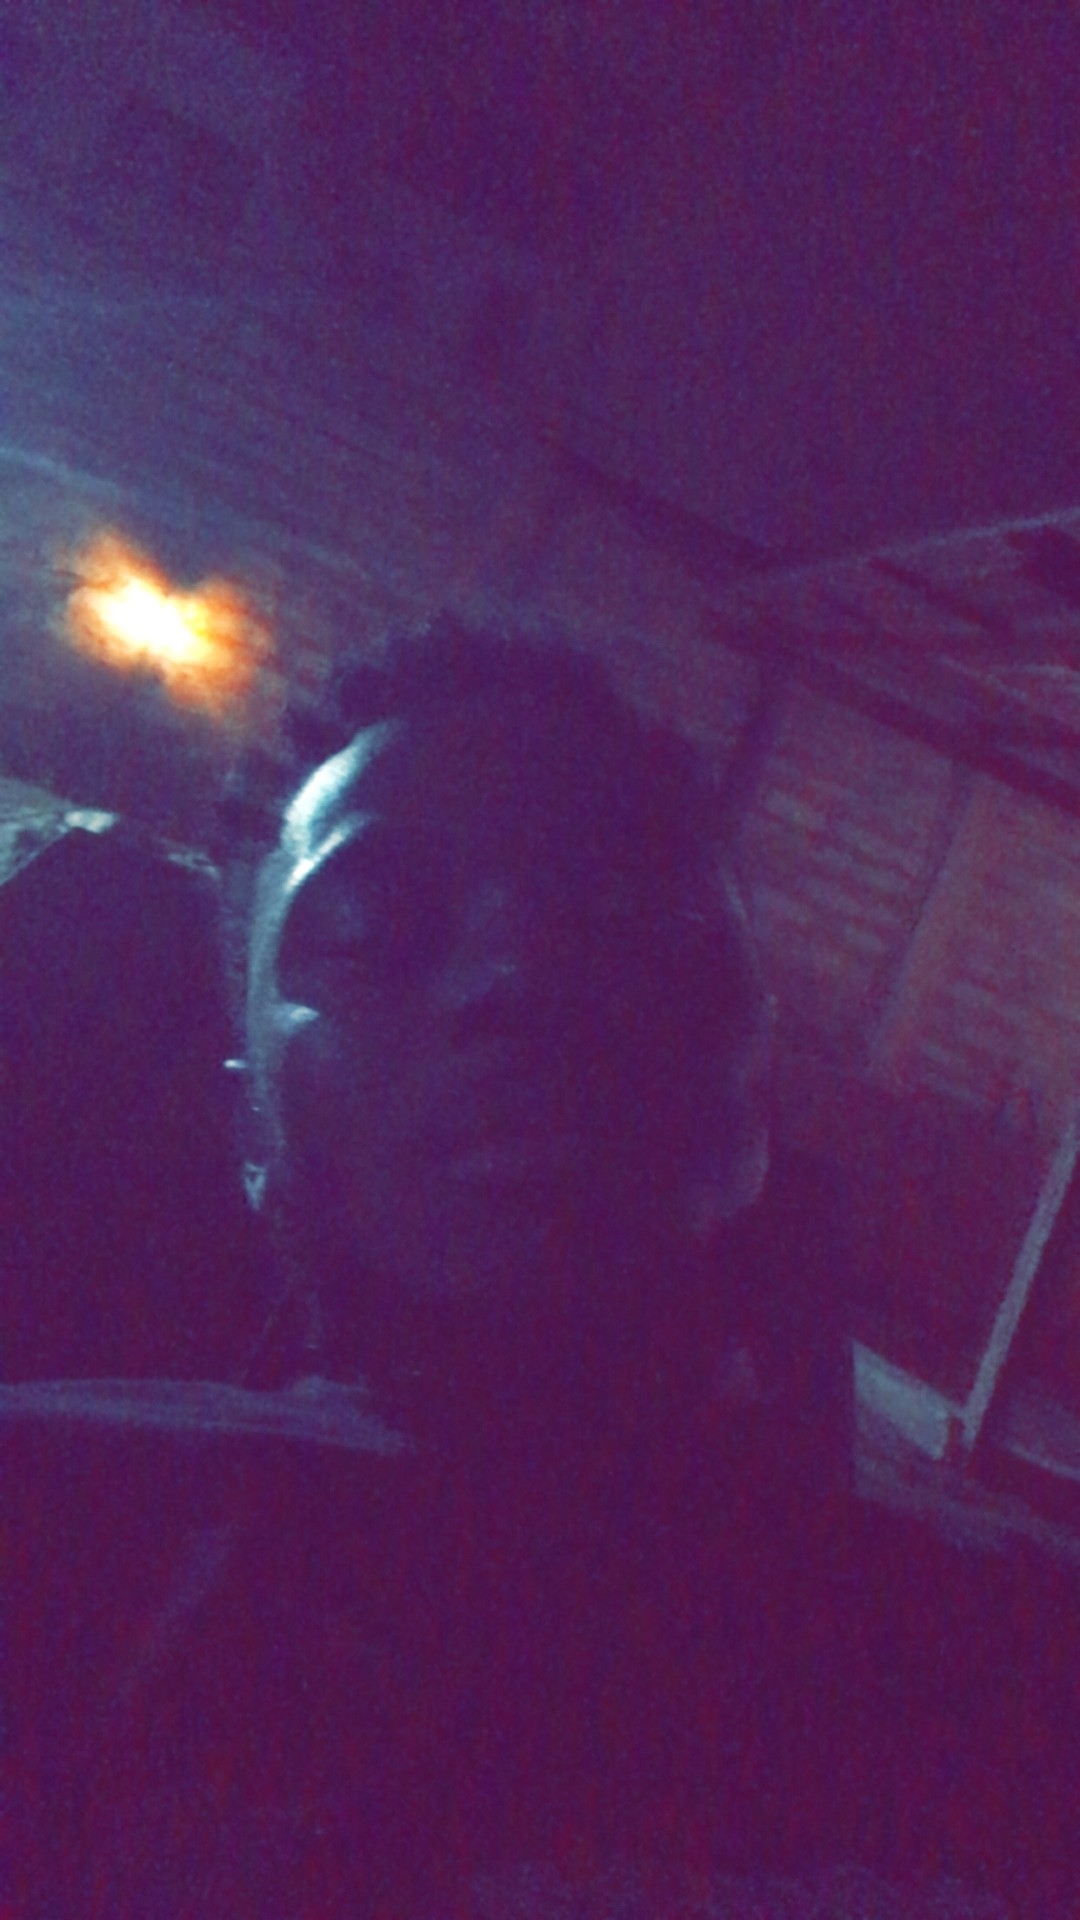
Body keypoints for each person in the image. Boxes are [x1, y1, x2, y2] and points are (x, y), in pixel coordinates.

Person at [23, 616, 850, 1915]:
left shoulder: (1011, 1679)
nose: (518, 974)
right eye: (366, 927)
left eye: (626, 911)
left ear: (758, 1069)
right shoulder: (50, 1551)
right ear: (252, 1132)